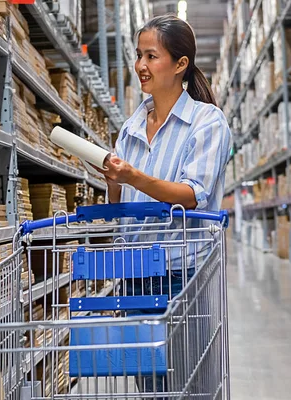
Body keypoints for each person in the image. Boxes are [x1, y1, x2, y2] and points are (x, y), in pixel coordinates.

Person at [97, 14, 232, 396]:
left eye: (151, 56)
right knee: (150, 386)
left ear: (180, 64)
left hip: (181, 273)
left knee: (187, 380)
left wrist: (134, 177)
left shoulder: (207, 123)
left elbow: (193, 195)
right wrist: (113, 183)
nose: (141, 65)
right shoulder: (131, 126)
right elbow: (121, 202)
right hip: (135, 271)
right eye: (139, 55)